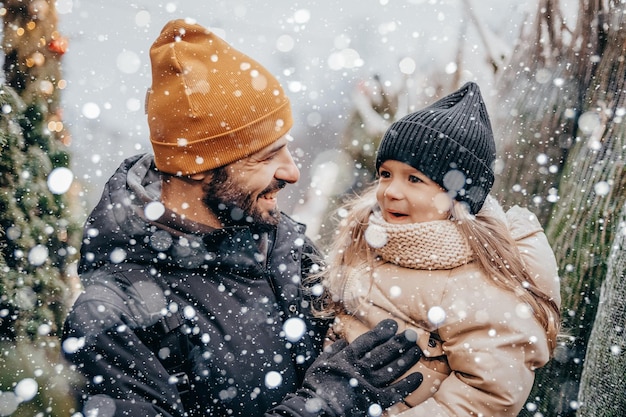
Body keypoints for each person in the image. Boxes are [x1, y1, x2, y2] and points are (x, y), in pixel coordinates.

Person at [61, 18, 423, 417]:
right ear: (197, 166)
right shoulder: (112, 318)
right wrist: (329, 402)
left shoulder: (285, 249)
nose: (292, 173)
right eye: (268, 156)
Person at [315, 82, 562, 416]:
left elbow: (487, 395)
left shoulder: (476, 279)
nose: (390, 191)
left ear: (457, 198)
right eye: (386, 174)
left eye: (414, 179)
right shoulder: (368, 242)